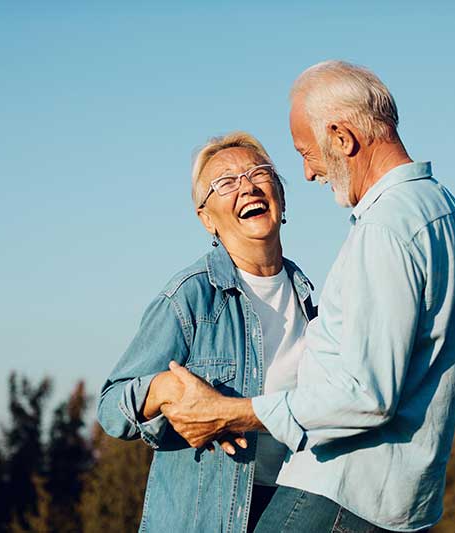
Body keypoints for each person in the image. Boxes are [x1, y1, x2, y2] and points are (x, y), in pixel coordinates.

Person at [161, 60, 455, 532]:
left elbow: (367, 396)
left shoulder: (383, 229)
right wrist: (404, 366)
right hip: (407, 503)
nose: (308, 172)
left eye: (307, 152)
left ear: (343, 138)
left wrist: (232, 413)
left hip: (339, 492)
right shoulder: (445, 209)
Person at [96, 132, 317, 532]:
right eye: (225, 182)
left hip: (291, 506)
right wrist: (163, 389)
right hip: (209, 519)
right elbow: (111, 407)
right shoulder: (190, 296)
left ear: (281, 196)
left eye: (258, 173)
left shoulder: (311, 300)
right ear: (207, 218)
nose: (247, 186)